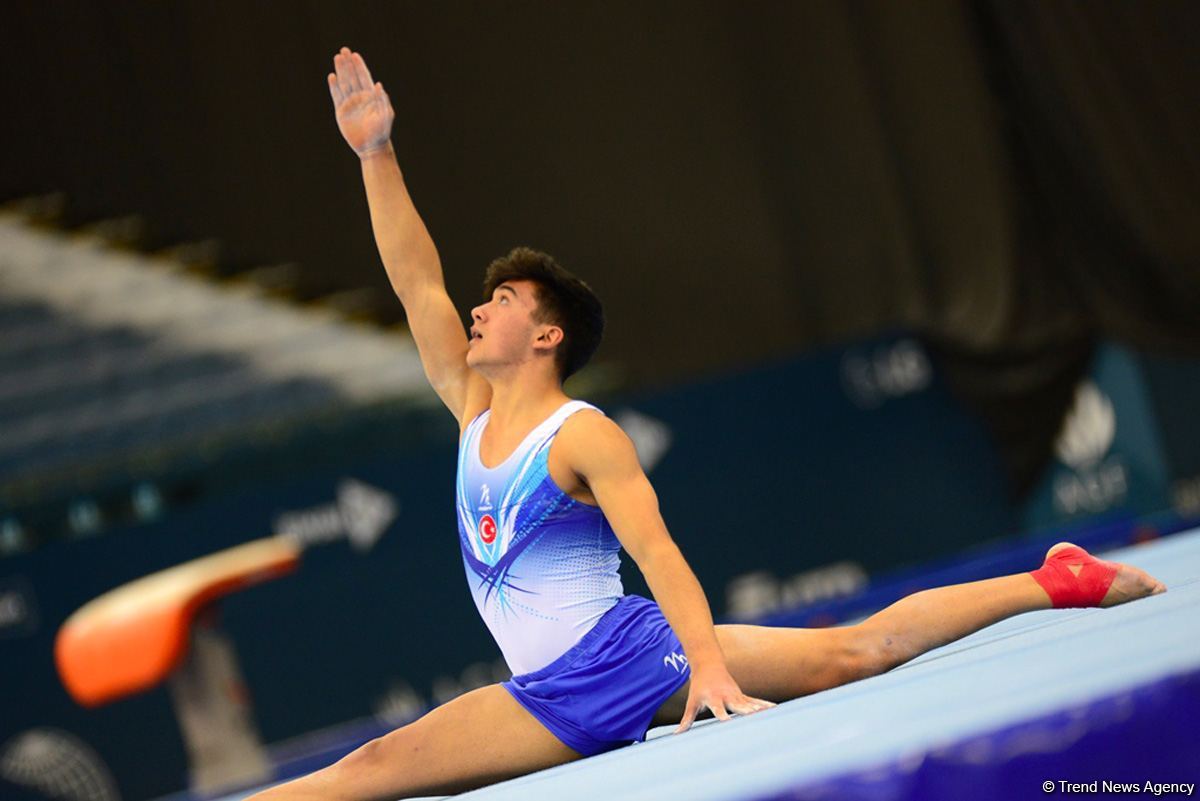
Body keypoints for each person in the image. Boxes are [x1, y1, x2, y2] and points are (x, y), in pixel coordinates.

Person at [248, 47, 1167, 801]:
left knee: (859, 651)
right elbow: (415, 278)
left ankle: (1052, 581)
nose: (476, 311)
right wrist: (375, 153)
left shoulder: (580, 434)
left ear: (549, 333)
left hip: (631, 656)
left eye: (500, 300)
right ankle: (1054, 577)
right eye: (480, 300)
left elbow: (659, 551)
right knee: (370, 770)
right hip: (554, 691)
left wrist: (708, 670)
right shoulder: (470, 403)